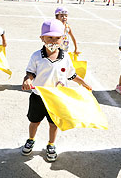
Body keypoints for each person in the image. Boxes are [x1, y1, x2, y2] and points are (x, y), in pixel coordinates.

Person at [21, 19, 92, 162]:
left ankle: (51, 144)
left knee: (53, 123)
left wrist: (83, 82)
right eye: (49, 37)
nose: (53, 41)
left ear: (63, 39)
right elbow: (30, 73)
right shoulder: (36, 56)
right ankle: (31, 139)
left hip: (57, 98)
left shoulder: (65, 57)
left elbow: (71, 75)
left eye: (57, 38)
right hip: (38, 97)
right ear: (42, 38)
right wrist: (27, 79)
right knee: (34, 122)